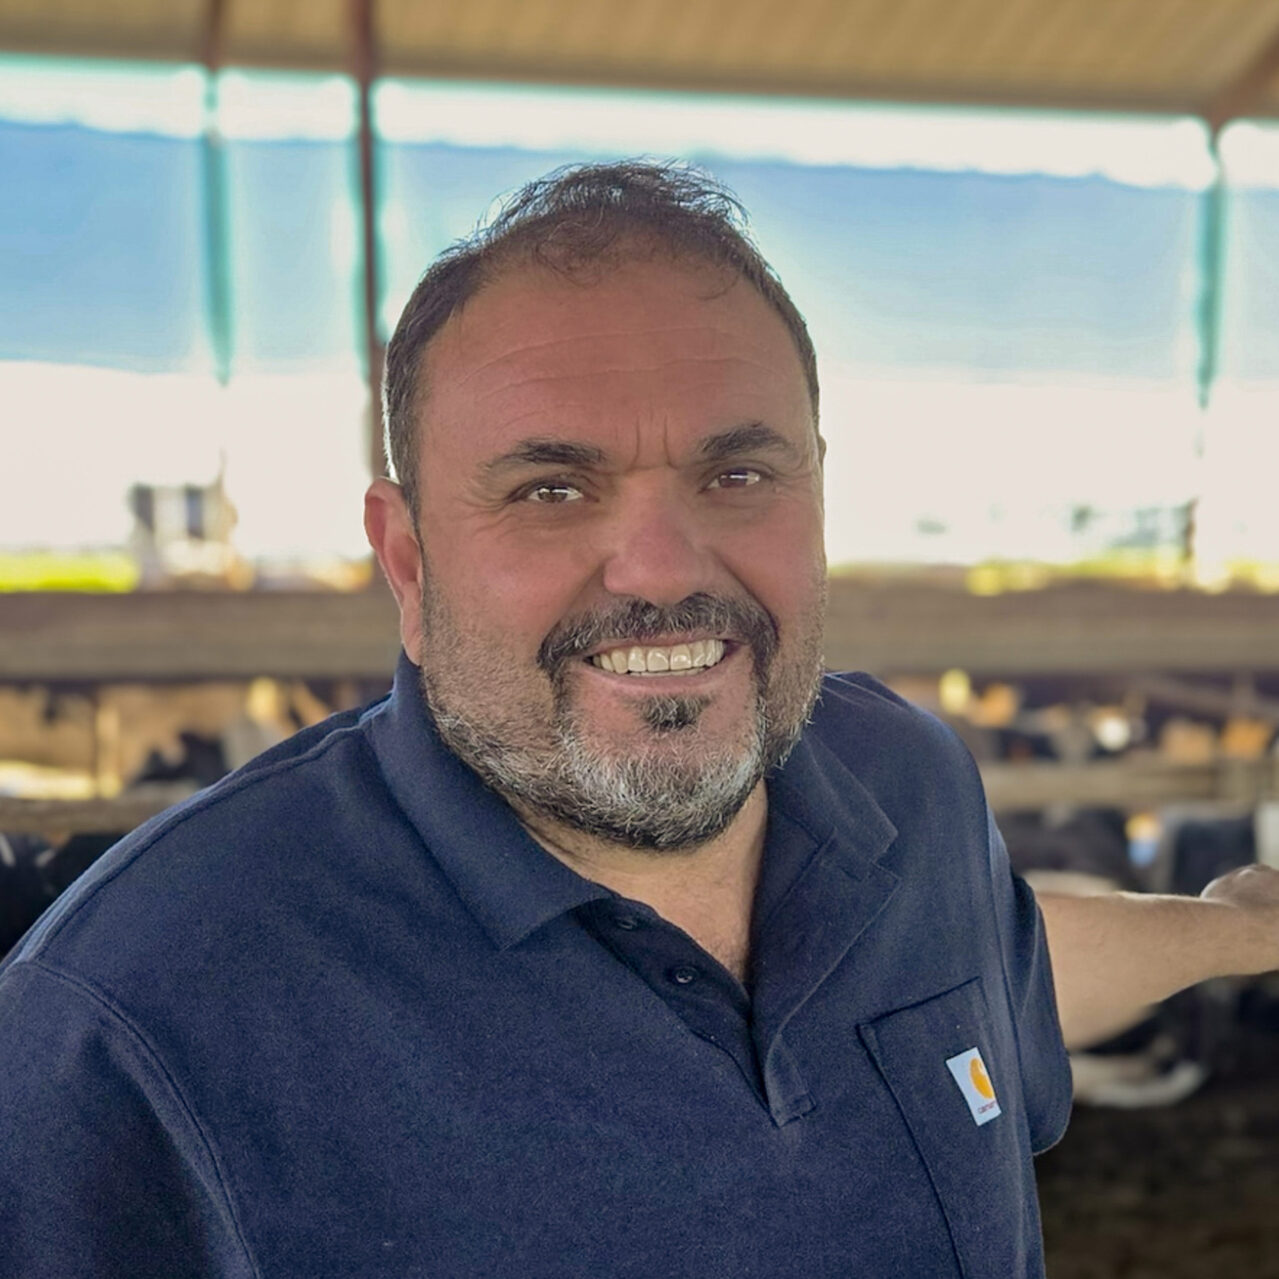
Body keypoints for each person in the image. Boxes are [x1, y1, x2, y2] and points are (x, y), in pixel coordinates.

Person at [1, 160, 1277, 1279]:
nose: (662, 568)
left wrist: (1231, 929)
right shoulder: (136, 1020)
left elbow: (1005, 978)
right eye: (551, 486)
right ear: (406, 555)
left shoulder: (903, 782)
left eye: (737, 473)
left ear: (818, 494)